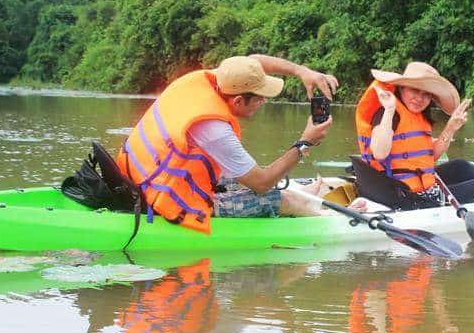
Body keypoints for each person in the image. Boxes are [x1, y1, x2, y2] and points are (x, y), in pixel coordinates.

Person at [117, 55, 338, 233]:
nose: (264, 101)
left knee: (241, 172)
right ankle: (325, 214)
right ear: (238, 101)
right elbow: (261, 184)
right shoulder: (215, 129)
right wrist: (304, 143)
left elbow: (255, 61)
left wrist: (302, 71)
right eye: (260, 97)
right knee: (278, 197)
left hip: (139, 173)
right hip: (165, 196)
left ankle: (307, 194)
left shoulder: (214, 80)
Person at [354, 62, 474, 209]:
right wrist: (390, 109)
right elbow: (379, 153)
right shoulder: (387, 112)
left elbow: (429, 157)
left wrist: (450, 128)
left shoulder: (417, 116)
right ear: (401, 87)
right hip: (401, 194)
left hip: (415, 185)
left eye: (426, 94)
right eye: (414, 90)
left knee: (464, 168)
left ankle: (438, 193)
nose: (419, 98)